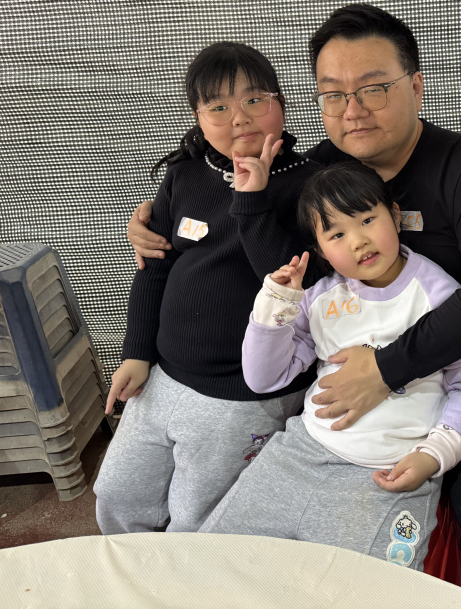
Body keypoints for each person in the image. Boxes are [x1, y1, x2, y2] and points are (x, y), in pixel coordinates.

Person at [127, 5, 461, 607]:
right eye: (333, 94)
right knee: (236, 551)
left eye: (372, 88)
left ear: (416, 86)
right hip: (330, 378)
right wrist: (159, 223)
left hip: (449, 368)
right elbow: (242, 212)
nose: (352, 110)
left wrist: (387, 368)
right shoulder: (317, 172)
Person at [199, 162, 461, 572]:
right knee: (214, 564)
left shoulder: (442, 294)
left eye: (368, 219)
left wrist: (434, 455)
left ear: (395, 215)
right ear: (321, 251)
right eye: (336, 234)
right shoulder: (320, 297)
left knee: (364, 588)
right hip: (300, 454)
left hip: (388, 472)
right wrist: (276, 305)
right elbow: (265, 378)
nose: (358, 241)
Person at [94, 42, 321, 534]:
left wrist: (252, 198)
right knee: (116, 494)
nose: (239, 117)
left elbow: (291, 285)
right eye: (218, 107)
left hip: (242, 395)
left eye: (254, 100)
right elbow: (154, 266)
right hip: (165, 375)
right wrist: (137, 352)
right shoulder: (187, 173)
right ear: (198, 118)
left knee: (198, 523)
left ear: (281, 103)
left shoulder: (313, 185)